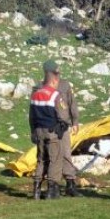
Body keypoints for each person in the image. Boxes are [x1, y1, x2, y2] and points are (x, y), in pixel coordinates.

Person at [41, 60, 82, 197]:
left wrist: (75, 121)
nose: (57, 75)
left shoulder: (65, 85)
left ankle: (70, 184)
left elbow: (72, 103)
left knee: (66, 154)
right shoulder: (41, 87)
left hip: (63, 126)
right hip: (48, 127)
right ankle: (53, 186)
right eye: (54, 72)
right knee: (50, 156)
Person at [30, 71, 67, 200]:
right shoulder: (56, 95)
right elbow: (63, 115)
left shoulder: (35, 95)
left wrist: (33, 131)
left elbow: (31, 116)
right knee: (54, 160)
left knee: (41, 160)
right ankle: (51, 191)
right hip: (52, 132)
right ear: (54, 81)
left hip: (38, 131)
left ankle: (36, 190)